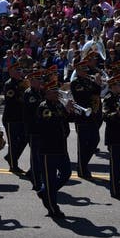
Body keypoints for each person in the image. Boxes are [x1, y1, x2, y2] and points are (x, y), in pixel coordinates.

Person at [36, 76, 73, 219]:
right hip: (47, 150)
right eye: (54, 91)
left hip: (61, 147)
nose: (57, 94)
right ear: (47, 94)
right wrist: (65, 110)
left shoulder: (58, 105)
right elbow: (50, 122)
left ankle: (45, 192)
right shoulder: (44, 107)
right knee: (50, 180)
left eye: (57, 91)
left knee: (66, 173)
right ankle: (53, 209)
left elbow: (67, 119)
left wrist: (71, 112)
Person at [70, 54, 103, 180]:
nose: (86, 71)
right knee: (83, 145)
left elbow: (97, 93)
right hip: (82, 117)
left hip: (92, 116)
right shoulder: (75, 83)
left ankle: (83, 164)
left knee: (95, 141)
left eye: (86, 69)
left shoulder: (89, 81)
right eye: (83, 69)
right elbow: (82, 97)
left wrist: (98, 83)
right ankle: (82, 169)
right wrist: (94, 84)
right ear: (78, 70)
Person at [2, 61, 29, 173]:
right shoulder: (9, 84)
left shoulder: (23, 82)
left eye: (20, 70)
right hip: (11, 117)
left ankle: (10, 157)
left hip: (21, 117)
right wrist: (22, 94)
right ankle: (13, 165)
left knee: (24, 139)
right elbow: (11, 101)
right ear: (11, 73)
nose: (19, 72)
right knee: (13, 143)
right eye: (16, 70)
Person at [23, 68, 45, 191]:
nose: (40, 81)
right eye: (38, 79)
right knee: (36, 158)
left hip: (41, 129)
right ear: (31, 81)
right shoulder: (29, 93)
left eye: (41, 79)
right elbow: (37, 109)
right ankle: (36, 183)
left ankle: (37, 178)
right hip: (33, 129)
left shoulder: (40, 91)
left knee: (40, 156)